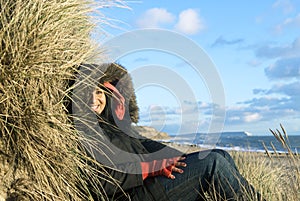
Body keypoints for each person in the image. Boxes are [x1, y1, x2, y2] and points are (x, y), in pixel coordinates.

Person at [73, 63, 265, 201]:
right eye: (88, 91)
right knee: (212, 164)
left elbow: (146, 145)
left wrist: (179, 159)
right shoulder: (83, 130)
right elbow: (100, 180)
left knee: (218, 154)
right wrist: (150, 168)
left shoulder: (115, 127)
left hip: (146, 186)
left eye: (99, 92)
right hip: (130, 195)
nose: (94, 98)